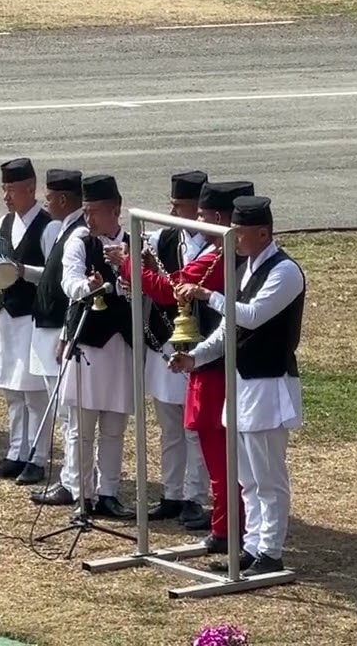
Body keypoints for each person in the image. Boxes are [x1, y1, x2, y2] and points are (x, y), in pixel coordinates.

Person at [172, 195, 305, 577]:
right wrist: (196, 356)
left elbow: (252, 316)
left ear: (263, 233)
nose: (235, 239)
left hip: (268, 385)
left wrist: (207, 295)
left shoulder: (285, 272)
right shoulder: (246, 269)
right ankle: (251, 546)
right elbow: (228, 329)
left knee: (268, 478)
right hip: (243, 385)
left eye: (240, 233)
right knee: (247, 477)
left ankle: (270, 551)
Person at [122, 180, 255, 556]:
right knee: (216, 450)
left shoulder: (219, 256)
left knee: (222, 451)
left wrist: (129, 264)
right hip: (212, 359)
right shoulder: (223, 253)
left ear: (218, 217)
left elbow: (170, 289)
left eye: (201, 214)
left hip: (221, 367)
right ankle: (226, 526)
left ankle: (231, 528)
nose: (196, 220)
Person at [0, 158, 57, 486]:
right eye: (4, 189)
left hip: (30, 317)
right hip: (5, 316)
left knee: (34, 393)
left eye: (12, 189)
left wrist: (23, 271)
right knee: (12, 391)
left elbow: (53, 274)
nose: (6, 196)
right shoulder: (3, 223)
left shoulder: (47, 227)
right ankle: (17, 452)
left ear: (30, 188)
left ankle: (38, 457)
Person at [57, 175, 136, 519]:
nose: (89, 219)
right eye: (86, 211)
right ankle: (82, 493)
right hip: (88, 342)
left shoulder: (135, 245)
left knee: (114, 427)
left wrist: (125, 282)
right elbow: (69, 281)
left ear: (115, 209)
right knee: (82, 427)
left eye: (96, 212)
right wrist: (88, 287)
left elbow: (146, 288)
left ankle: (109, 492)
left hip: (121, 344)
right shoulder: (80, 242)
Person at [142, 170, 211, 529]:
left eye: (180, 206)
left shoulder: (214, 246)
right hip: (165, 340)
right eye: (172, 205)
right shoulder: (163, 239)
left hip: (198, 344)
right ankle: (171, 492)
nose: (174, 212)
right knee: (169, 425)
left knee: (194, 428)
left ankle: (194, 496)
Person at [29, 168, 87, 506]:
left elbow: (73, 294)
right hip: (48, 328)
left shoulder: (78, 233)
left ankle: (73, 481)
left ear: (64, 199)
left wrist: (66, 332)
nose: (45, 202)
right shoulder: (64, 229)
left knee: (68, 415)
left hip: (60, 331)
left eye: (49, 197)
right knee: (65, 415)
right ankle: (71, 476)